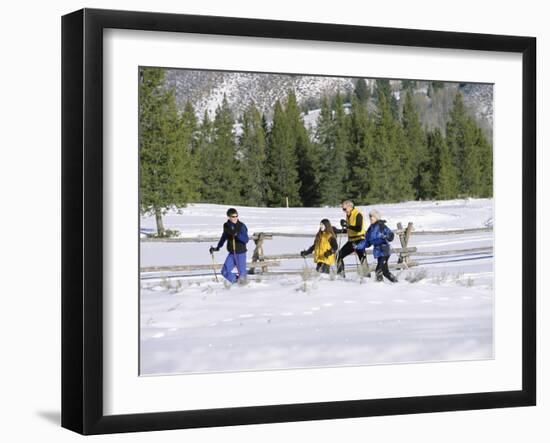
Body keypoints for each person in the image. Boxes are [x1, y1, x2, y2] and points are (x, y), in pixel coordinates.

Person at [354, 209, 398, 283]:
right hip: (378, 251)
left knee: (378, 270)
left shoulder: (381, 226)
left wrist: (386, 236)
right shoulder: (370, 228)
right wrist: (357, 246)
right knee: (385, 271)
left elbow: (391, 235)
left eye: (373, 216)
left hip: (384, 250)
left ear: (377, 217)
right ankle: (396, 282)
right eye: (370, 216)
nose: (371, 218)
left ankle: (379, 286)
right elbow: (367, 241)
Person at [209, 208, 249, 285]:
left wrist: (237, 235)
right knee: (224, 271)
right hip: (231, 253)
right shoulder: (226, 226)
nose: (235, 218)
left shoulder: (241, 226)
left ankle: (244, 286)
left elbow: (246, 239)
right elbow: (224, 237)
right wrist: (217, 247)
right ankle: (237, 283)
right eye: (233, 216)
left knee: (242, 274)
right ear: (229, 217)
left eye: (236, 216)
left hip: (240, 253)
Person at [334, 200, 366, 277]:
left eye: (344, 209)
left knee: (362, 260)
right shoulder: (348, 214)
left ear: (350, 207)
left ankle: (367, 278)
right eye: (343, 209)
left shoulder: (358, 214)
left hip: (359, 240)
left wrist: (347, 226)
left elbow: (358, 228)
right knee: (338, 256)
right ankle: (341, 276)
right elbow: (350, 229)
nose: (344, 211)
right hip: (351, 241)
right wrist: (339, 230)